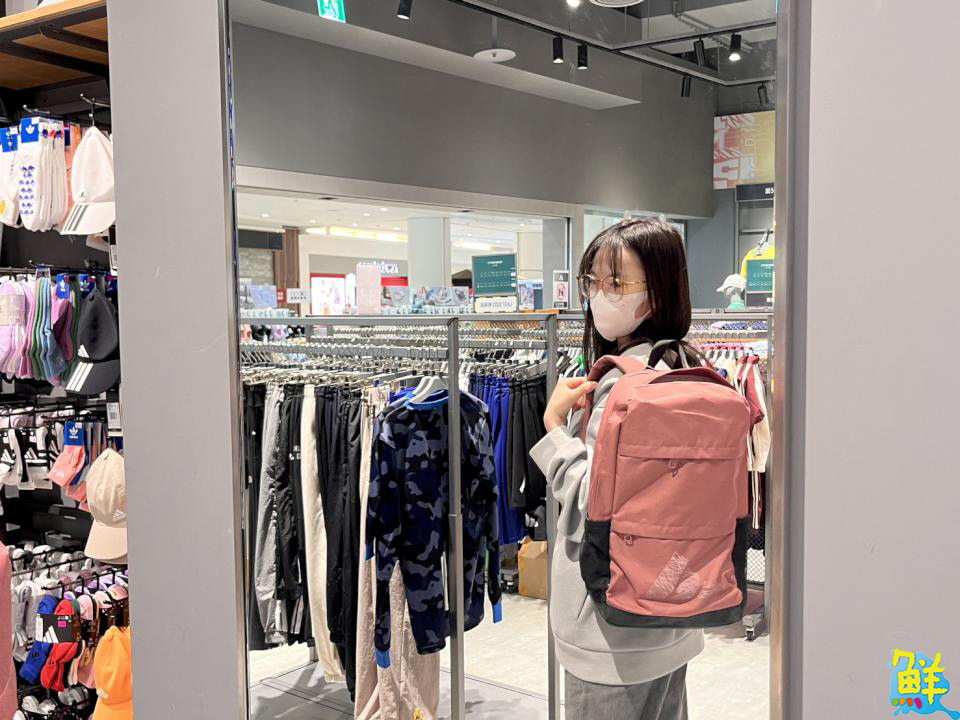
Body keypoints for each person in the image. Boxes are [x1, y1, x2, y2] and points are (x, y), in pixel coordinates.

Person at [530, 218, 703, 720]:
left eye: (616, 283)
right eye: (593, 281)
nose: (599, 296)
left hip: (609, 631)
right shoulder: (684, 367)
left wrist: (554, 426)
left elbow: (592, 505)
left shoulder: (623, 387)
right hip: (671, 610)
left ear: (657, 290)